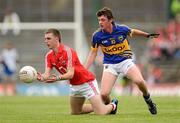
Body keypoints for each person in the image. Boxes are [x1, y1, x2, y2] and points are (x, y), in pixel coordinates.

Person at [84, 7, 159, 115]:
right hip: (110, 64)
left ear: (111, 20)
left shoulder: (121, 29)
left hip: (125, 61)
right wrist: (84, 69)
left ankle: (149, 100)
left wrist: (146, 35)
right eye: (99, 20)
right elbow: (93, 53)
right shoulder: (97, 36)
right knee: (104, 94)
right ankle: (112, 107)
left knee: (139, 81)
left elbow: (132, 31)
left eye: (103, 20)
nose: (100, 22)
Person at [36, 28, 118, 115]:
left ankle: (113, 105)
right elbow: (47, 74)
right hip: (74, 85)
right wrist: (41, 77)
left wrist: (57, 78)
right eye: (45, 39)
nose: (46, 41)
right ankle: (100, 105)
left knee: (101, 113)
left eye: (48, 38)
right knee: (76, 112)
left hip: (86, 82)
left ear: (57, 38)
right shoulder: (48, 56)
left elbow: (70, 74)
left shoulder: (68, 51)